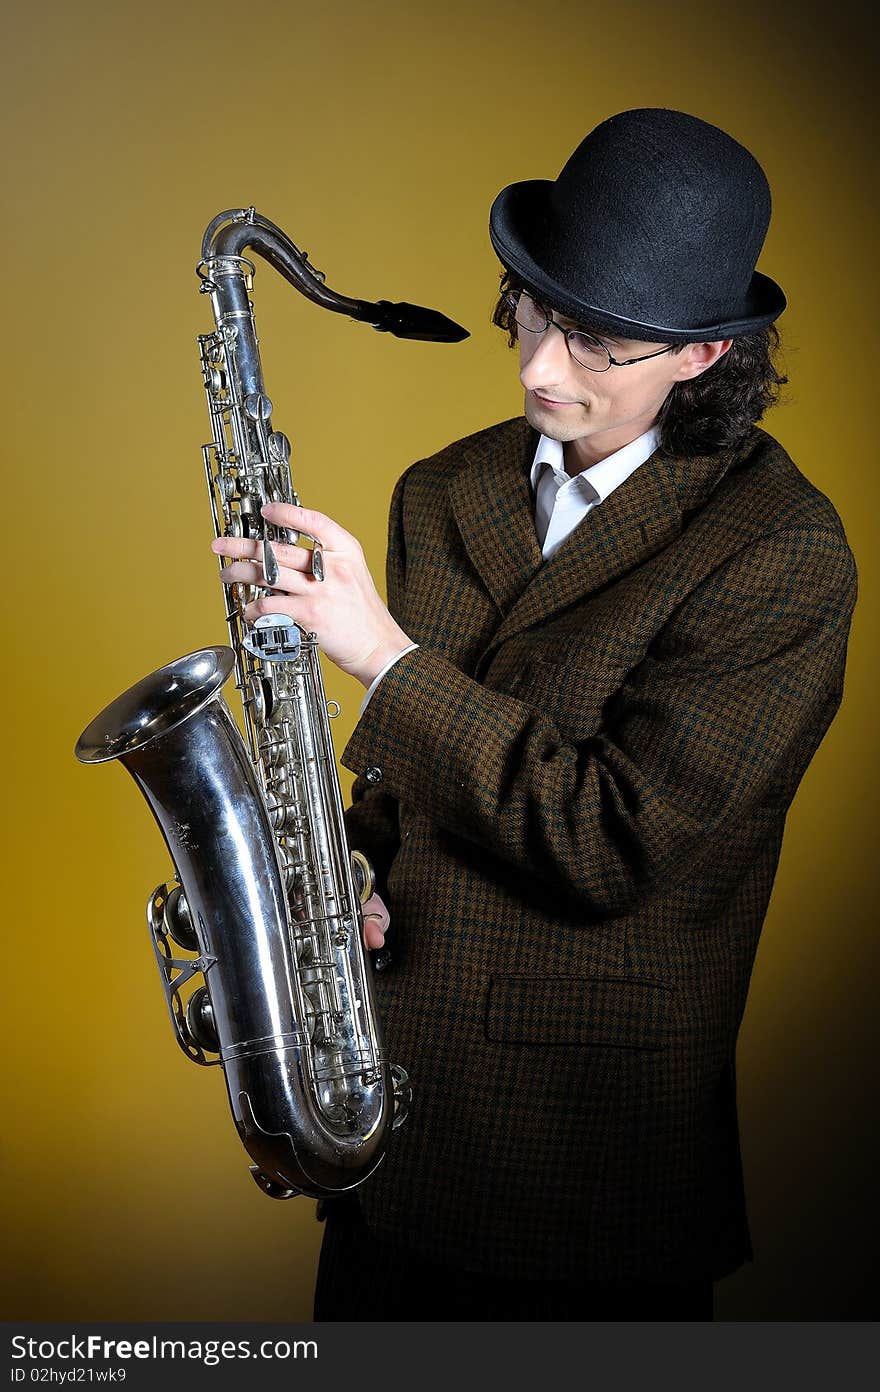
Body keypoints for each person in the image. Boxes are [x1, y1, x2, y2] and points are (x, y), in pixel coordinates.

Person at [212, 108, 857, 1320]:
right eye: (531, 309)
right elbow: (413, 792)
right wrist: (349, 870)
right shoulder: (445, 487)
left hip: (583, 1184)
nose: (538, 368)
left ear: (703, 356)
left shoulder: (781, 553)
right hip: (385, 1144)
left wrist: (385, 661)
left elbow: (616, 842)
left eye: (597, 341)